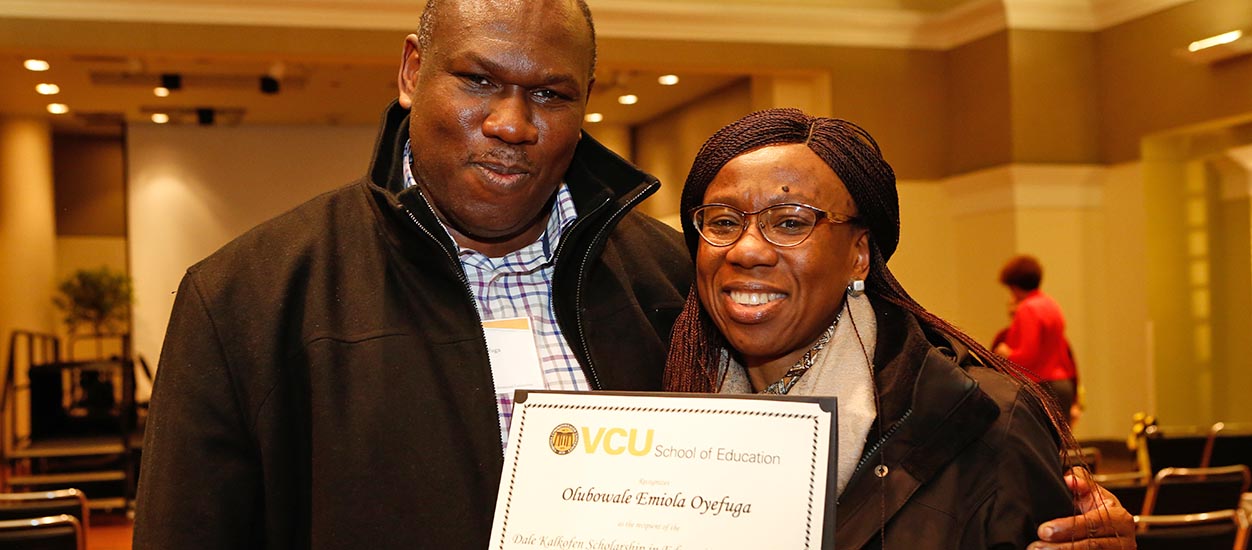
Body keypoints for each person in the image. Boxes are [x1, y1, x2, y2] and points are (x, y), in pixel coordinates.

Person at [134, 1, 1132, 547]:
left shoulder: (676, 280)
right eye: (478, 78)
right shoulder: (250, 299)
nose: (515, 124)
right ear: (410, 70)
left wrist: (1064, 521)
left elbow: (873, 467)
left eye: (552, 93)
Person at [663, 108, 1135, 548]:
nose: (746, 251)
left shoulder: (987, 422)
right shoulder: (665, 412)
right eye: (723, 222)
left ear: (859, 255)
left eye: (789, 223)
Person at [994, 255, 1080, 425]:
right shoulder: (1051, 304)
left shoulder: (1027, 309)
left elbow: (1028, 354)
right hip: (1063, 385)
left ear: (1014, 286)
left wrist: (1006, 352)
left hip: (1041, 385)